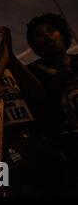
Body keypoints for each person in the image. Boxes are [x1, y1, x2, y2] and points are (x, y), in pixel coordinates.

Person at [0, 23, 77, 196]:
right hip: (6, 144)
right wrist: (4, 60)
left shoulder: (8, 63)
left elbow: (37, 91)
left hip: (36, 137)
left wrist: (11, 57)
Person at [26, 13, 78, 164]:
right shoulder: (32, 74)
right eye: (39, 35)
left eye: (50, 30)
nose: (47, 36)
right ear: (34, 44)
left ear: (62, 34)